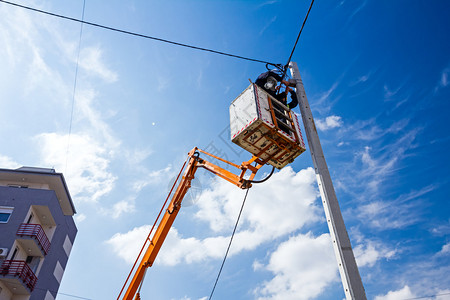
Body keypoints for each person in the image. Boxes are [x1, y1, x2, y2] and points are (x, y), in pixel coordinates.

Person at [255, 70, 298, 134]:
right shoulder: (272, 100)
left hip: (282, 128)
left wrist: (291, 91)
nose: (283, 99)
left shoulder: (285, 106)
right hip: (272, 122)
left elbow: (295, 102)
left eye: (284, 98)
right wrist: (282, 81)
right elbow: (269, 73)